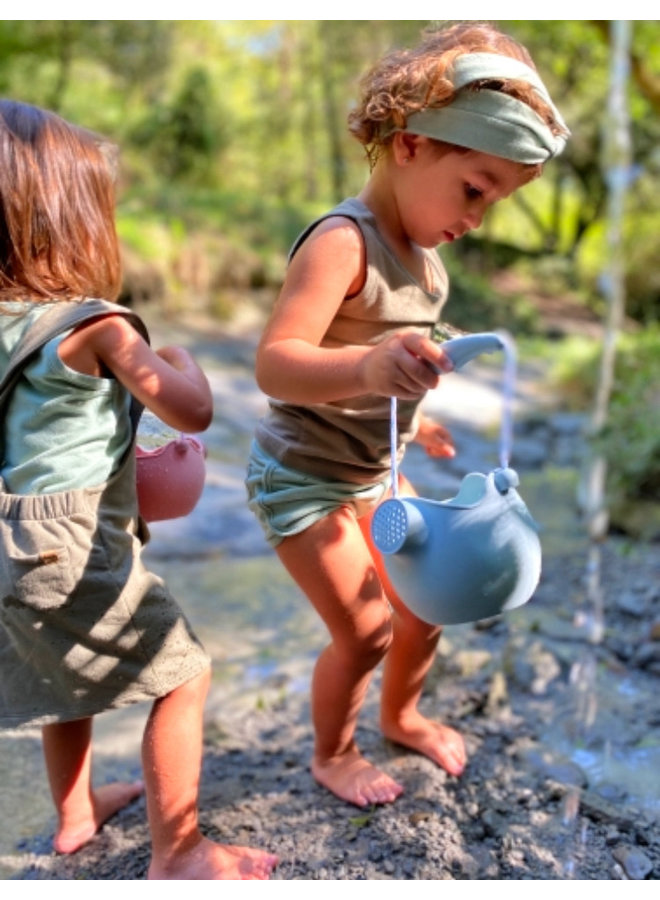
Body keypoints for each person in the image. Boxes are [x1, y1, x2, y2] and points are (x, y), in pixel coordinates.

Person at [246, 21, 569, 809]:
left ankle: (403, 714)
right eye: (475, 188)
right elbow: (276, 364)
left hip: (372, 468)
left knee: (420, 612)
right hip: (303, 475)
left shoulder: (429, 271)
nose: (479, 218)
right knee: (365, 629)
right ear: (412, 143)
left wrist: (412, 420)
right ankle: (334, 752)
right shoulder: (341, 245)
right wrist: (364, 364)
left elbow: (391, 375)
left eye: (495, 200)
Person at [0, 100, 278, 880]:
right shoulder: (98, 326)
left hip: (11, 542)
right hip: (72, 543)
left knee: (64, 679)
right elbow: (191, 409)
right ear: (74, 222)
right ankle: (179, 852)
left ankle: (75, 814)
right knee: (183, 671)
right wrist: (184, 361)